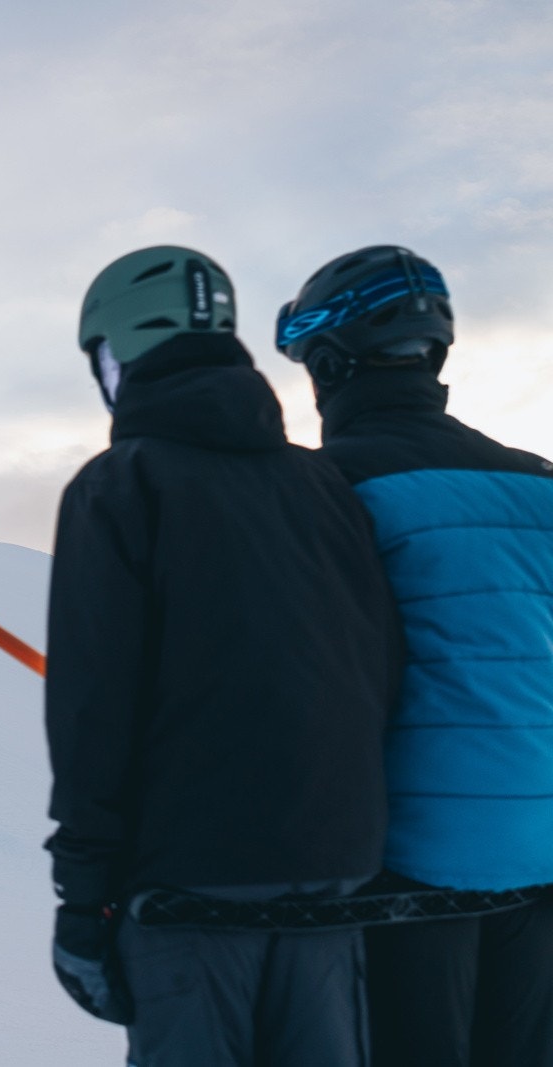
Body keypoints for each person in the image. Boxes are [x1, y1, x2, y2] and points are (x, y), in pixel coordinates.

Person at [46, 246, 402, 1065]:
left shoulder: (121, 485)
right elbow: (377, 671)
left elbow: (93, 711)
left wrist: (82, 896)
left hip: (190, 895)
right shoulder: (324, 488)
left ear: (120, 349)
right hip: (331, 880)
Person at [277, 245, 553, 1067]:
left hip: (405, 868)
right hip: (542, 855)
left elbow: (303, 675)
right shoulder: (540, 483)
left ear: (331, 362)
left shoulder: (322, 486)